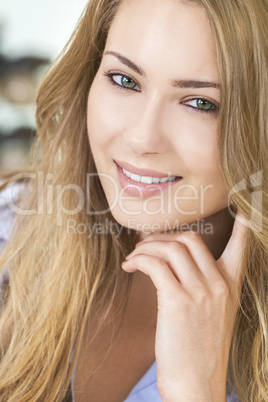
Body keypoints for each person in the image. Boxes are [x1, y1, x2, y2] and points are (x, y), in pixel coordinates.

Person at [0, 0, 267, 400]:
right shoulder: (9, 233)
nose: (142, 138)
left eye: (200, 103)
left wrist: (195, 389)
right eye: (125, 80)